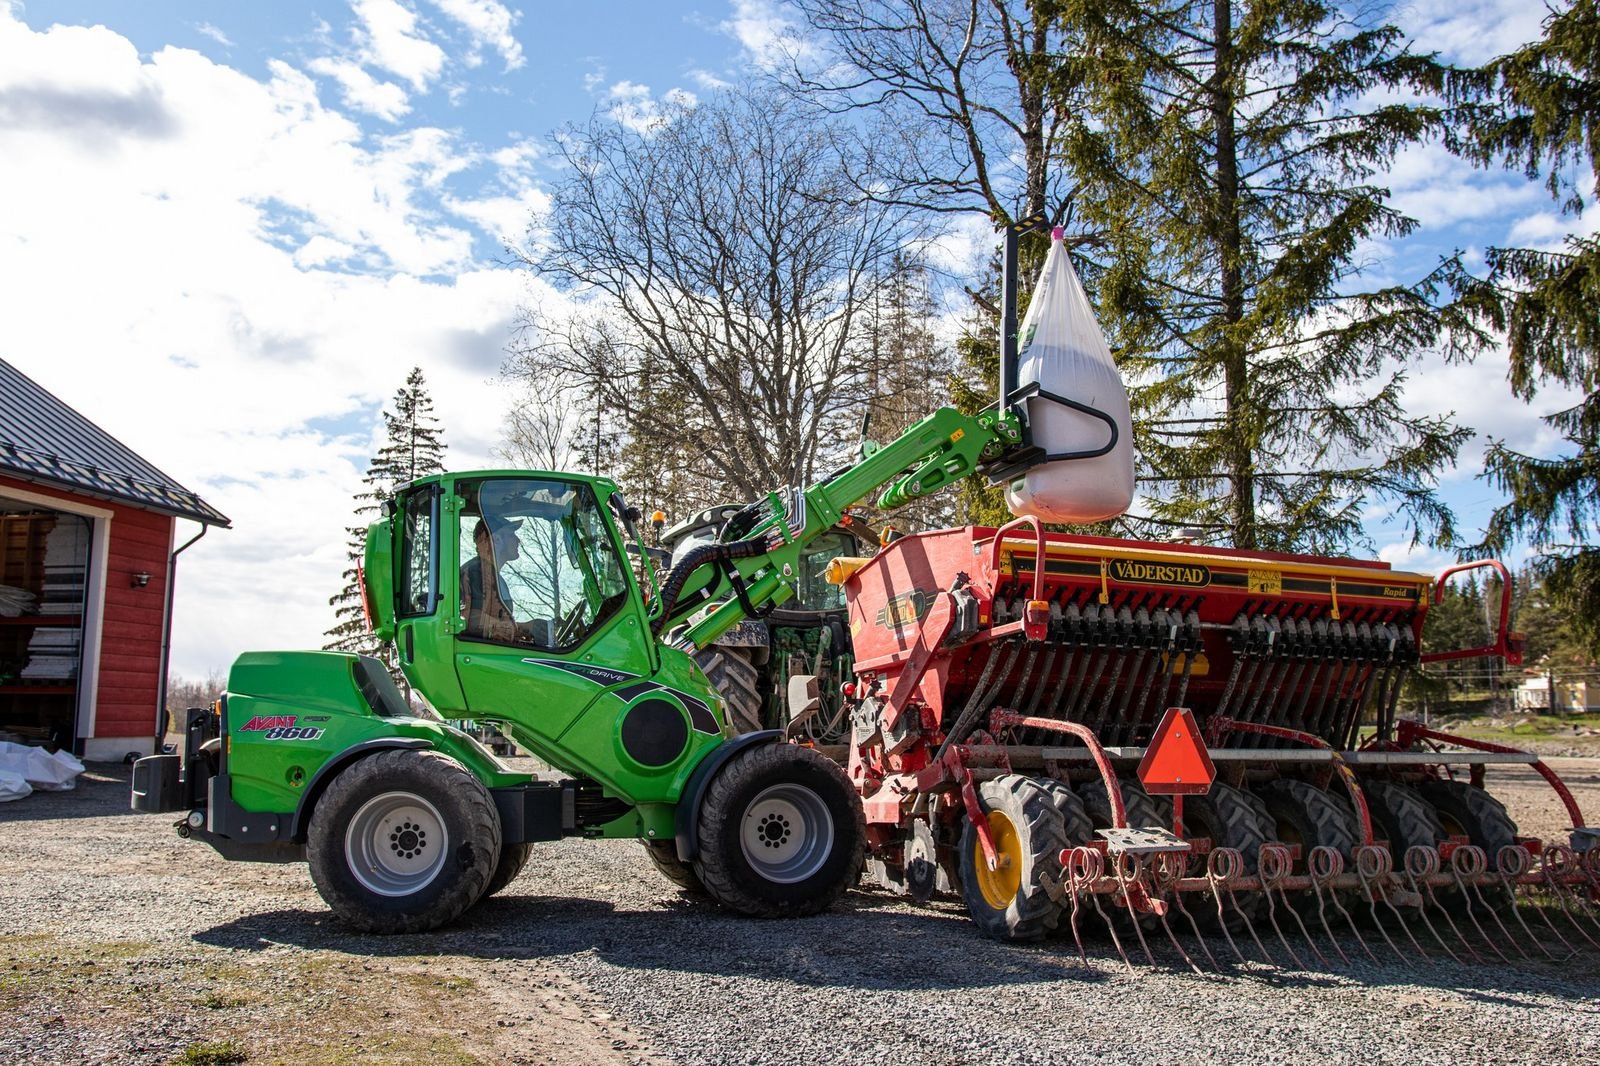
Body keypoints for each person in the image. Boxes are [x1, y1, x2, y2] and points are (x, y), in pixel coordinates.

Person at [460, 514, 524, 642]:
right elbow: (471, 620)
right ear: (495, 539)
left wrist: (523, 630)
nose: (518, 540)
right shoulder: (474, 572)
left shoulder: (496, 579)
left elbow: (495, 622)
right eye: (511, 535)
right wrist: (525, 628)